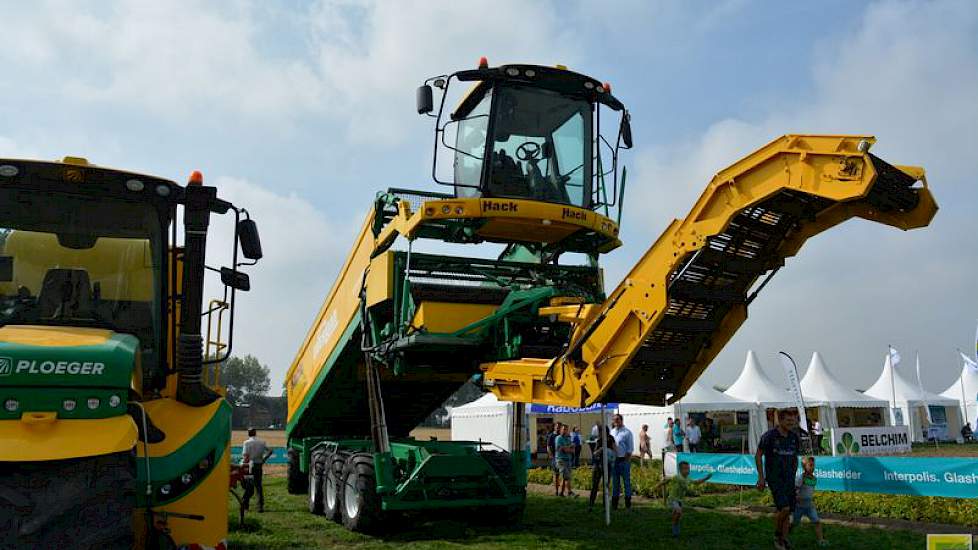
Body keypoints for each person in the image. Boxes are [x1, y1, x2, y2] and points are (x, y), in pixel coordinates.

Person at [756, 409, 802, 550]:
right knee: (784, 508)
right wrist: (761, 477)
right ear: (780, 421)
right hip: (775, 478)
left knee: (788, 511)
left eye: (793, 421)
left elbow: (795, 458)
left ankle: (784, 539)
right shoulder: (769, 436)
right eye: (788, 420)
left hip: (789, 479)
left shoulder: (794, 437)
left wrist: (794, 476)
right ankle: (777, 535)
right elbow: (758, 455)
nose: (791, 423)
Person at [653, 461, 712, 538]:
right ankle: (675, 521)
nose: (687, 470)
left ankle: (675, 529)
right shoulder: (677, 477)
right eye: (685, 469)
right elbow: (667, 480)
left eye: (688, 469)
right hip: (673, 498)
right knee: (679, 512)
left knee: (678, 516)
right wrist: (658, 485)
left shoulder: (688, 479)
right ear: (680, 470)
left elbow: (697, 482)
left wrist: (706, 478)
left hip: (680, 500)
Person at [791, 456, 829, 546]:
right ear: (804, 467)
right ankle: (784, 536)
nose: (812, 467)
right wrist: (796, 498)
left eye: (813, 465)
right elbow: (795, 490)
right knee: (794, 523)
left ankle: (821, 540)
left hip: (809, 505)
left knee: (817, 522)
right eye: (810, 465)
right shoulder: (801, 478)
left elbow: (809, 490)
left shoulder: (814, 478)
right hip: (799, 506)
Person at [241, 427, 273, 512]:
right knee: (258, 486)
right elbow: (270, 451)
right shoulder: (262, 442)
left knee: (248, 487)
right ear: (255, 433)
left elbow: (246, 456)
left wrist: (242, 463)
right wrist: (264, 459)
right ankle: (260, 507)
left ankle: (245, 506)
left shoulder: (246, 443)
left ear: (248, 433)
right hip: (259, 465)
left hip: (250, 466)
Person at [588, 426, 617, 511]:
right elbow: (595, 453)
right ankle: (591, 504)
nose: (599, 433)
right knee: (595, 485)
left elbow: (615, 450)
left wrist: (609, 451)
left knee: (606, 486)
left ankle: (605, 506)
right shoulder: (599, 440)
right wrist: (600, 450)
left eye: (600, 431)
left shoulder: (611, 439)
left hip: (607, 465)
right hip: (598, 465)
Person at [610, 414, 634, 510]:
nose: (615, 421)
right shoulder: (612, 432)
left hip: (623, 460)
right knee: (615, 483)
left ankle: (628, 504)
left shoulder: (627, 432)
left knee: (626, 482)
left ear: (621, 420)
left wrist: (626, 459)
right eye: (614, 420)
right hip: (614, 461)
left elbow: (630, 448)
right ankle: (614, 505)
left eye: (617, 419)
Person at [554, 424, 576, 497]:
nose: (565, 431)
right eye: (563, 429)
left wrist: (567, 448)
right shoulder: (558, 438)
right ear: (560, 430)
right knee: (566, 476)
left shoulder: (568, 439)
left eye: (566, 430)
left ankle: (561, 493)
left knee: (566, 477)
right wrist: (569, 447)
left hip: (568, 460)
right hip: (561, 460)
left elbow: (573, 450)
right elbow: (564, 450)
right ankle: (569, 492)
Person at [547, 422, 562, 494]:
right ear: (554, 427)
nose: (558, 428)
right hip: (555, 457)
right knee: (556, 474)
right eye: (557, 426)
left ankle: (562, 491)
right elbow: (548, 446)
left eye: (559, 426)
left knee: (563, 475)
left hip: (562, 457)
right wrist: (551, 456)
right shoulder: (551, 436)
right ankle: (556, 491)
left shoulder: (561, 436)